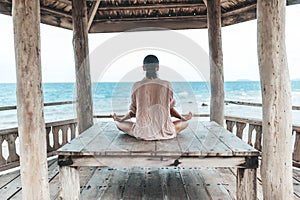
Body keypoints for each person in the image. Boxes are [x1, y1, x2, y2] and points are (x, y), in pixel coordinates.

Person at [112, 55, 192, 140]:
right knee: (185, 123)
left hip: (143, 133)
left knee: (118, 124)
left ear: (144, 68)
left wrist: (121, 119)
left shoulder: (137, 85)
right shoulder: (167, 84)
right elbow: (170, 109)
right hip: (165, 132)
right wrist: (183, 118)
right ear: (157, 68)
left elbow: (134, 112)